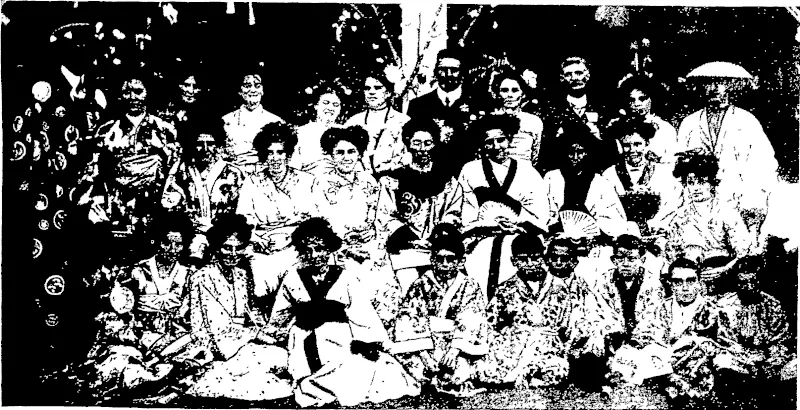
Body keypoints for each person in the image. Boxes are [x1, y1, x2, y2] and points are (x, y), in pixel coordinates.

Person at [265, 218, 419, 407]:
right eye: (308, 250)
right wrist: (273, 335)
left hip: (339, 339)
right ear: (301, 251)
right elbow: (280, 315)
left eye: (320, 249)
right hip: (304, 339)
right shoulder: (292, 277)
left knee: (374, 369)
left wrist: (368, 341)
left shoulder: (344, 276)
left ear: (329, 249)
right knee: (315, 378)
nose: (314, 255)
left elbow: (362, 313)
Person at [185, 213, 292, 401]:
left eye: (239, 248)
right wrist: (258, 335)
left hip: (240, 338)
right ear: (216, 247)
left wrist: (269, 329)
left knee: (285, 355)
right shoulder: (202, 276)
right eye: (227, 248)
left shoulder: (241, 274)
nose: (233, 254)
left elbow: (251, 310)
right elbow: (217, 327)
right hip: (215, 343)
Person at [310, 126, 400, 329]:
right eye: (339, 153)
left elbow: (380, 215)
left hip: (368, 244)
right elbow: (321, 220)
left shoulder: (369, 181)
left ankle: (382, 327)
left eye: (351, 152)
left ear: (359, 153)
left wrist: (373, 233)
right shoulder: (322, 183)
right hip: (338, 247)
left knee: (379, 275)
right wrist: (343, 243)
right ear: (331, 156)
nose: (346, 157)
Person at [82, 76, 178, 260]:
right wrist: (97, 201)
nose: (132, 97)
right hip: (115, 207)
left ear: (148, 94)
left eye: (138, 91)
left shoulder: (165, 130)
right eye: (127, 92)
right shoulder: (106, 130)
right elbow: (94, 171)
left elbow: (173, 169)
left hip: (154, 206)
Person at [676, 76, 779, 230]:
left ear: (731, 86)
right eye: (709, 83)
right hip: (699, 200)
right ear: (701, 87)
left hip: (737, 197)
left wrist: (754, 197)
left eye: (721, 83)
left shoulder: (746, 120)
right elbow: (678, 164)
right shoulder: (689, 123)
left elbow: (764, 163)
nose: (715, 88)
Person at [392, 233, 489, 396]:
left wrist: (454, 350)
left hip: (457, 344)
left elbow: (471, 319)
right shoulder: (420, 284)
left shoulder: (470, 286)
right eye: (440, 259)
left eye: (451, 259)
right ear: (432, 259)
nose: (444, 264)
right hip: (426, 343)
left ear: (461, 262)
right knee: (415, 368)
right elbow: (409, 318)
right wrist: (424, 355)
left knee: (463, 369)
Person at [376, 118, 464, 292]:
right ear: (407, 143)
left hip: (438, 247)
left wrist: (439, 235)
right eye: (416, 143)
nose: (422, 149)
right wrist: (412, 239)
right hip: (405, 249)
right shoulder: (392, 180)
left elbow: (453, 212)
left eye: (428, 143)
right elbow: (386, 216)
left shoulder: (447, 181)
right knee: (409, 289)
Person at [572, 235, 667, 388]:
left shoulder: (653, 284)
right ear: (613, 260)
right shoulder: (602, 282)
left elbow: (652, 317)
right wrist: (613, 331)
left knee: (650, 361)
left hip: (641, 340)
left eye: (631, 259)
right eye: (620, 258)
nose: (626, 263)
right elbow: (597, 310)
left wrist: (634, 341)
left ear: (642, 260)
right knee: (592, 352)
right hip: (612, 337)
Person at [477, 234, 571, 388]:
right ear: (514, 261)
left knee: (557, 372)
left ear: (543, 257)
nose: (530, 264)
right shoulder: (505, 289)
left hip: (547, 347)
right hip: (514, 347)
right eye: (523, 259)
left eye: (535, 258)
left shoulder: (559, 287)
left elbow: (565, 324)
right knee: (486, 371)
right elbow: (492, 324)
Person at [664, 153, 752, 296]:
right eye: (691, 183)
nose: (696, 188)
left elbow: (743, 253)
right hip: (691, 282)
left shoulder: (726, 212)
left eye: (702, 182)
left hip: (726, 279)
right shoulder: (679, 218)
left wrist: (724, 270)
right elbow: (671, 256)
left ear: (711, 183)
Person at [713, 255, 793, 407]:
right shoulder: (726, 306)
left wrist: (770, 359)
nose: (749, 287)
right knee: (722, 364)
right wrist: (748, 358)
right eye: (743, 283)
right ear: (736, 283)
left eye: (753, 282)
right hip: (739, 360)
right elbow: (726, 341)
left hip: (769, 360)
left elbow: (780, 339)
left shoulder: (773, 305)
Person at [161, 118, 244, 259]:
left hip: (225, 237)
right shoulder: (181, 171)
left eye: (211, 144)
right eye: (200, 144)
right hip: (190, 236)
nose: (205, 149)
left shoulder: (233, 173)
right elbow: (171, 208)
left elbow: (241, 211)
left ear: (218, 144)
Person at [458, 114, 549, 234]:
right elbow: (467, 210)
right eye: (489, 142)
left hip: (519, 234)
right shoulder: (470, 170)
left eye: (501, 140)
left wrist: (514, 219)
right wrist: (490, 225)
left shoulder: (528, 172)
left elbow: (539, 213)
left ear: (510, 139)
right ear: (482, 145)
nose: (496, 147)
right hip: (482, 234)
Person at [236, 121, 314, 255]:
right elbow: (243, 219)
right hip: (262, 241)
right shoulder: (252, 182)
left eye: (280, 152)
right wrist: (256, 238)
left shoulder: (306, 180)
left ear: (288, 154)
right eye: (270, 153)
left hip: (297, 241)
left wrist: (291, 238)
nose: (275, 158)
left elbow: (314, 219)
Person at [543, 125, 631, 238]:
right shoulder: (552, 177)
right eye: (571, 152)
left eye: (580, 152)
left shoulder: (601, 183)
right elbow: (544, 210)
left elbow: (615, 219)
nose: (575, 157)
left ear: (588, 153)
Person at [601, 118, 682, 233]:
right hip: (622, 235)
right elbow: (607, 210)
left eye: (637, 144)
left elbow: (670, 206)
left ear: (647, 144)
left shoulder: (663, 173)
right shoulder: (609, 175)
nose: (632, 150)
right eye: (627, 145)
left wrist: (651, 226)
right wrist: (627, 229)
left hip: (656, 232)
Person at [540, 57, 616, 172]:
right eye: (569, 74)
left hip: (597, 169)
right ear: (562, 78)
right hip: (563, 171)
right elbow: (548, 148)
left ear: (587, 76)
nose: (574, 78)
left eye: (579, 73)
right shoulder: (552, 110)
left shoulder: (603, 108)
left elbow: (610, 145)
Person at [406, 49, 475, 176]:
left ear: (462, 73)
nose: (447, 74)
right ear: (435, 72)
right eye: (442, 69)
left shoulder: (478, 103)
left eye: (454, 70)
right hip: (429, 175)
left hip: (469, 173)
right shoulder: (418, 105)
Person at [659, 259, 720, 402]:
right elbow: (646, 336)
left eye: (691, 281)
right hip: (662, 362)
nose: (685, 288)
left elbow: (720, 344)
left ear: (699, 283)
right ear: (671, 285)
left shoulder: (712, 310)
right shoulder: (660, 309)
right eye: (678, 282)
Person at [344, 72, 410, 174]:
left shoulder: (403, 121)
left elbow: (408, 156)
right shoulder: (353, 122)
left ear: (388, 92)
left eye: (377, 88)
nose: (371, 92)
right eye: (367, 88)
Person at [222, 72, 284, 173]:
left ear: (263, 90)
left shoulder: (276, 121)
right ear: (240, 91)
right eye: (247, 86)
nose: (253, 90)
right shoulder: (227, 121)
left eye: (257, 85)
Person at [610, 75, 679, 163]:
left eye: (642, 99)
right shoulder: (619, 126)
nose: (637, 104)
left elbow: (672, 159)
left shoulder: (665, 128)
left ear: (652, 98)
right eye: (632, 100)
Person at [490, 70, 545, 166]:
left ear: (522, 94)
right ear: (497, 94)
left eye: (515, 90)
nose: (510, 95)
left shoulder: (533, 121)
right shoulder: (489, 120)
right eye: (504, 90)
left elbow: (535, 155)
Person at [289, 84, 344, 174]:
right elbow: (294, 167)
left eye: (335, 105)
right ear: (316, 105)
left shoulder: (346, 132)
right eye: (326, 103)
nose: (330, 108)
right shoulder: (301, 133)